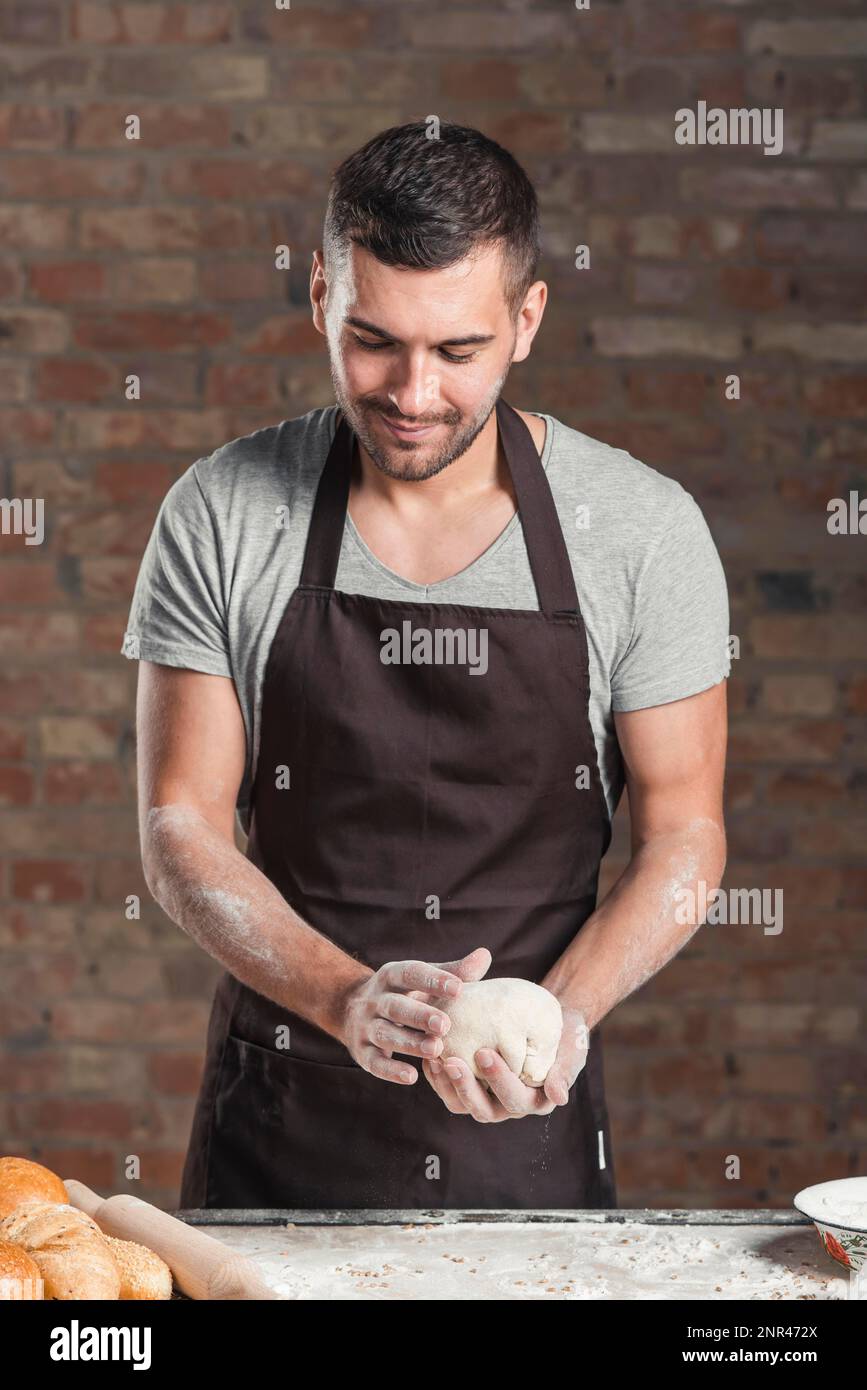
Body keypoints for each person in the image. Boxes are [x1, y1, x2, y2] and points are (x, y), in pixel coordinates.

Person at [123, 121, 729, 1210]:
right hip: (281, 1130)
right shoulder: (220, 514)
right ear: (320, 294)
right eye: (373, 340)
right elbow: (180, 829)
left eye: (458, 351)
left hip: (527, 1132)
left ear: (527, 321)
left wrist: (556, 1024)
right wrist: (347, 995)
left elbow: (686, 835)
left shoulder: (640, 531)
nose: (412, 392)